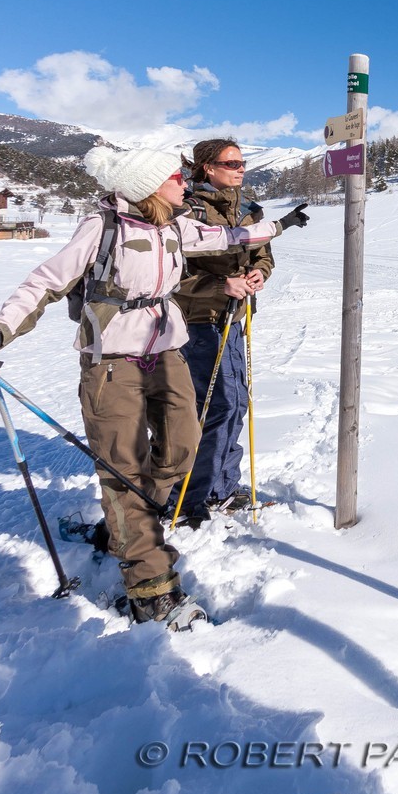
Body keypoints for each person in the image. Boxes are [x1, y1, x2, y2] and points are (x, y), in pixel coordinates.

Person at [0, 145, 308, 629]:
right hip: (111, 360)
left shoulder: (176, 225)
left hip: (167, 350)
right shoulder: (103, 228)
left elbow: (229, 233)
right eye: (174, 176)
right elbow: (45, 281)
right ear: (148, 187)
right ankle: (152, 589)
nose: (183, 182)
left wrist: (280, 225)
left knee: (182, 447)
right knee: (125, 471)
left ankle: (123, 529)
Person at [168, 137, 271, 522]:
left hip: (234, 317)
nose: (240, 169)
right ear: (207, 167)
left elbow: (263, 252)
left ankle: (221, 487)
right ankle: (188, 496)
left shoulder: (248, 207)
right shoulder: (186, 209)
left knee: (235, 402)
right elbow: (166, 272)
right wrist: (218, 286)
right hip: (197, 321)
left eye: (242, 163)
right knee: (210, 407)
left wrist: (260, 272)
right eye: (232, 163)